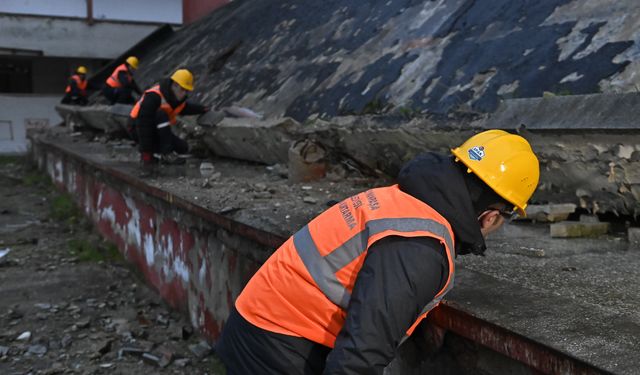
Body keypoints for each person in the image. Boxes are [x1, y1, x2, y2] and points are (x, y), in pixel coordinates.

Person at [216, 130, 540, 374]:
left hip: (263, 328)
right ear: (492, 215)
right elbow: (361, 353)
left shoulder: (403, 200)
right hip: (278, 349)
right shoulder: (420, 247)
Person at [129, 68, 209, 173]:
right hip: (136, 128)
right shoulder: (153, 96)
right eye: (183, 89)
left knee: (182, 147)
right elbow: (143, 126)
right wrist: (146, 153)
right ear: (174, 85)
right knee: (161, 114)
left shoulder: (175, 98)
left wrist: (203, 109)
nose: (184, 94)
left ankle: (165, 153)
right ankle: (166, 154)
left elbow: (185, 108)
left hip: (154, 130)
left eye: (187, 91)